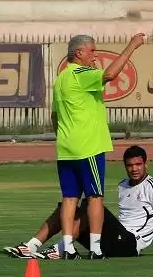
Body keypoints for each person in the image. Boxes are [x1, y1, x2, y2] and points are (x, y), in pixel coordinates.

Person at [52, 33, 145, 260]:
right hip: (88, 147)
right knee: (95, 196)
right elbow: (111, 74)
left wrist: (66, 135)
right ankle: (95, 247)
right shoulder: (81, 74)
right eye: (92, 51)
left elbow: (55, 117)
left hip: (66, 148)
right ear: (79, 53)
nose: (95, 54)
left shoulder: (61, 78)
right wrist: (131, 45)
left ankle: (68, 247)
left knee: (70, 198)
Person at [3, 145, 153, 259]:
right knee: (66, 208)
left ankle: (61, 248)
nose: (134, 169)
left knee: (90, 203)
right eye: (130, 165)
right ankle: (32, 245)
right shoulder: (123, 185)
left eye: (138, 164)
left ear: (145, 164)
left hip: (129, 244)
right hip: (110, 240)